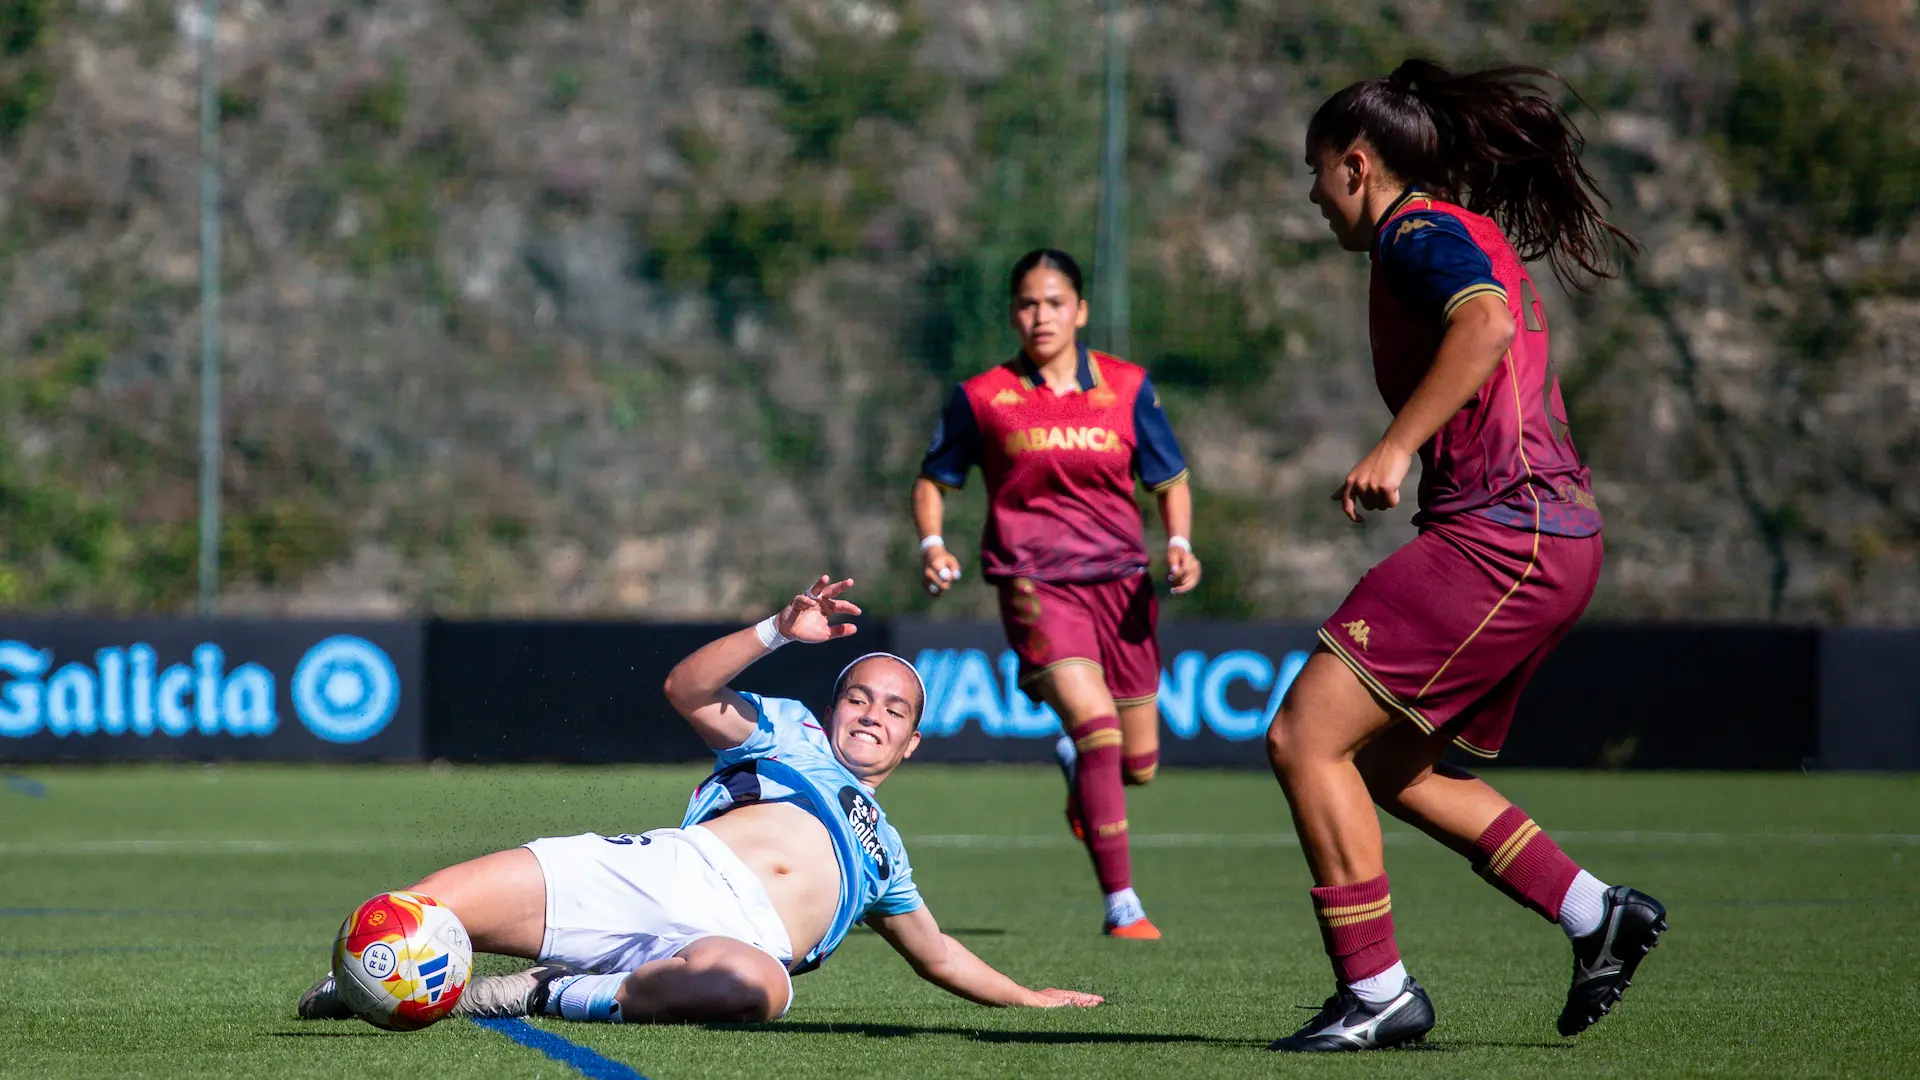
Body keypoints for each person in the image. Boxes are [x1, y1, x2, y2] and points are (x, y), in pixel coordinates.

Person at [1262, 60, 1666, 1052]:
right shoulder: (1457, 230)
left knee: (1304, 738)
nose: (1313, 193)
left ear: (1357, 165)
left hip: (1503, 534)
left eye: (1316, 170)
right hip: (1546, 535)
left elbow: (1482, 324)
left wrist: (1395, 447)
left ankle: (1376, 993)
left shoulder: (1414, 234)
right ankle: (1594, 913)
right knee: (1391, 765)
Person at [296, 576, 1103, 1025]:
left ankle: (546, 990)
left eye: (894, 711)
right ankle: (360, 984)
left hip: (737, 942)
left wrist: (1028, 997)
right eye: (859, 698)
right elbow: (686, 688)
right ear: (832, 710)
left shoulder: (886, 854)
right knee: (418, 907)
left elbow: (938, 954)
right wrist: (776, 630)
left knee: (759, 991)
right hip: (662, 872)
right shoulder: (790, 733)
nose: (872, 715)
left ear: (912, 743)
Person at [913, 248, 1200, 940]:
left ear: (1081, 311)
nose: (1039, 316)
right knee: (1096, 725)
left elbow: (1170, 479)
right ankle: (1122, 905)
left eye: (1053, 302)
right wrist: (933, 544)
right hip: (1035, 582)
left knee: (1138, 765)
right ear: (1013, 314)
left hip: (1123, 587)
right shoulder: (984, 396)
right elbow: (934, 479)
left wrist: (1179, 543)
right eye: (1026, 304)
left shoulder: (1128, 387)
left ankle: (1080, 767)